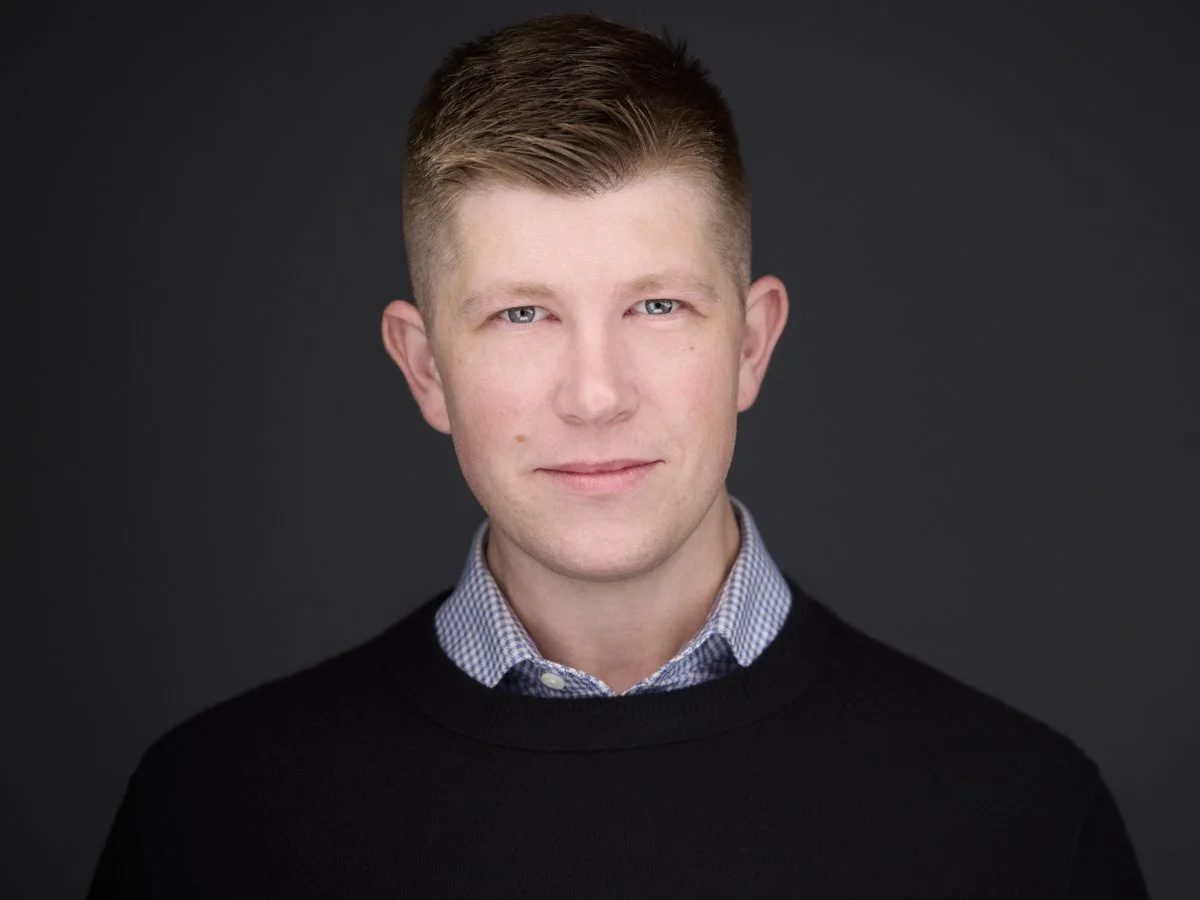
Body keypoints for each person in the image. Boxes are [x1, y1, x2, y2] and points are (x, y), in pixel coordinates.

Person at [88, 13, 1148, 898]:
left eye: (655, 304)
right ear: (423, 370)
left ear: (749, 343)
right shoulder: (216, 820)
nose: (595, 395)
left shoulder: (1020, 822)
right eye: (519, 315)